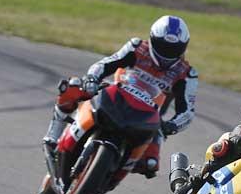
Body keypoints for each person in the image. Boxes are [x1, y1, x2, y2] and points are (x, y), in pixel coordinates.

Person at [43, 15, 198, 179]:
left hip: (147, 117)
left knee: (150, 163)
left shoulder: (186, 74)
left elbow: (187, 111)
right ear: (152, 39)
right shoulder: (137, 48)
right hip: (116, 95)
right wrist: (92, 79)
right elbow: (105, 64)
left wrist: (171, 126)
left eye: (172, 49)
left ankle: (117, 170)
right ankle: (53, 135)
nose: (166, 53)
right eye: (162, 46)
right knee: (74, 87)